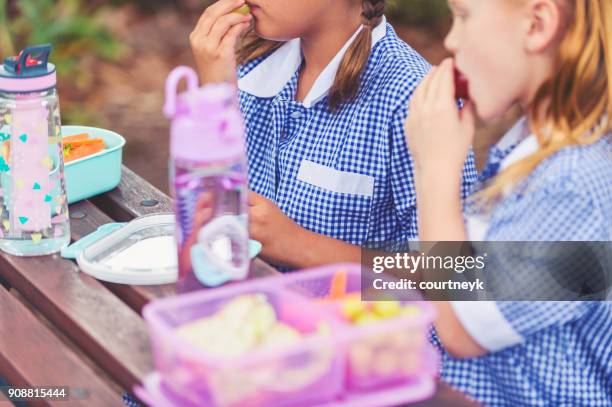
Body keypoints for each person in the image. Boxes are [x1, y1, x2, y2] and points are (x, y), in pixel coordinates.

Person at [405, 0, 612, 405]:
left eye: (463, 17)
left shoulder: (571, 184)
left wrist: (436, 169)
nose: (450, 39)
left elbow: (461, 326)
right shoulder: (531, 150)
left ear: (537, 24)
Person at [190, 0, 478, 269]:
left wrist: (301, 245)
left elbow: (453, 270)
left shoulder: (412, 99)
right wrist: (214, 96)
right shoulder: (245, 65)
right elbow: (204, 214)